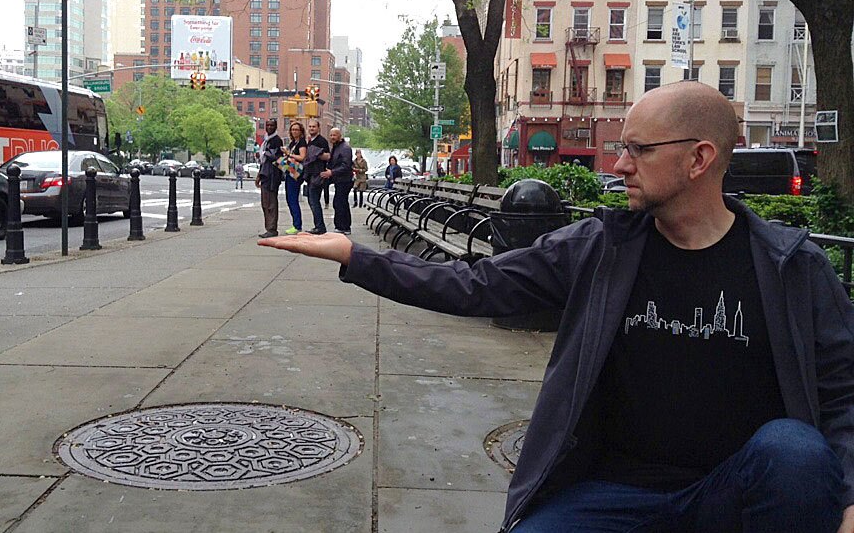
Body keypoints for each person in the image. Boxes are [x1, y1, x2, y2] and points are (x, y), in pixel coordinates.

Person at [258, 81, 854, 533]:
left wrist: (848, 498)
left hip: (732, 492)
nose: (619, 165)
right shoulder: (601, 249)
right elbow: (477, 284)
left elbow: (842, 393)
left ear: (699, 159)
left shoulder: (792, 269)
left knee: (795, 452)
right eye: (622, 148)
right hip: (613, 493)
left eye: (638, 150)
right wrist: (356, 258)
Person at [321, 127, 353, 235]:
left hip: (345, 180)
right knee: (341, 202)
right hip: (340, 180)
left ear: (340, 136)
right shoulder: (336, 147)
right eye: (331, 135)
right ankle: (342, 226)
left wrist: (332, 172)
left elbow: (346, 165)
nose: (332, 137)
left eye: (334, 135)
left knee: (340, 202)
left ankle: (343, 226)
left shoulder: (345, 148)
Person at [255, 119, 283, 238]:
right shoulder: (266, 140)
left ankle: (272, 229)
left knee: (270, 203)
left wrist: (265, 153)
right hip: (265, 174)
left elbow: (276, 158)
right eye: (268, 125)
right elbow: (263, 162)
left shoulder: (276, 141)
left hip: (272, 176)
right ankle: (269, 227)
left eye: (272, 125)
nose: (269, 127)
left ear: (276, 127)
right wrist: (259, 175)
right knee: (265, 203)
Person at [303, 119, 331, 235]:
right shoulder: (310, 141)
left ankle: (320, 227)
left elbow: (328, 156)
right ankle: (318, 225)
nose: (311, 129)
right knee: (311, 201)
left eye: (314, 127)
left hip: (317, 175)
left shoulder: (322, 141)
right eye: (309, 127)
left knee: (314, 201)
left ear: (318, 128)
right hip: (310, 175)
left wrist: (316, 154)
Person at [281, 121, 307, 235]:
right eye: (293, 129)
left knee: (293, 199)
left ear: (301, 131)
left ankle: (297, 225)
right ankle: (295, 223)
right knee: (289, 199)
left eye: (297, 129)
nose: (294, 131)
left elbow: (302, 157)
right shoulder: (293, 143)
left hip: (296, 173)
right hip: (289, 171)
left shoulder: (301, 143)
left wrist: (289, 154)